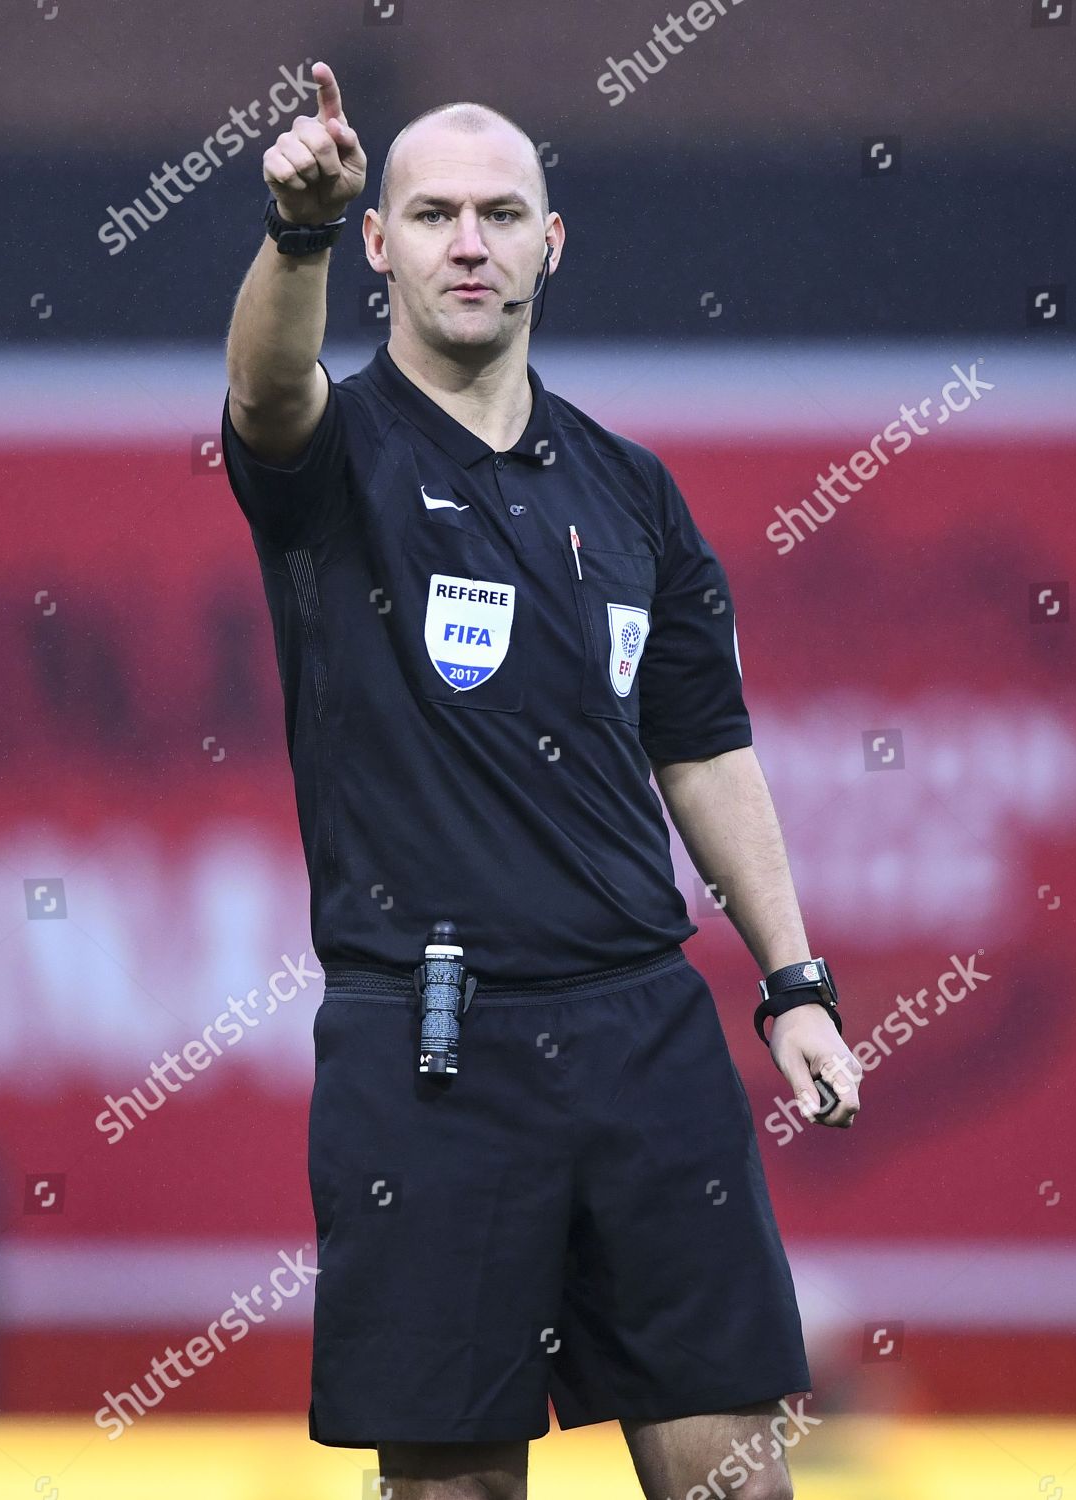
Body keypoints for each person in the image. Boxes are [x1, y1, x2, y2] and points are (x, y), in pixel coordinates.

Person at [220, 59, 862, 1500]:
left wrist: (795, 982)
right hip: (431, 1046)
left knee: (736, 1477)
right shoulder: (333, 459)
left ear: (548, 245)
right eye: (431, 213)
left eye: (501, 213)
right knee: (454, 1490)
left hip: (646, 1034)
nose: (468, 240)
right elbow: (264, 389)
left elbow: (704, 747)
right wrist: (293, 233)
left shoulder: (634, 491)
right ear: (379, 245)